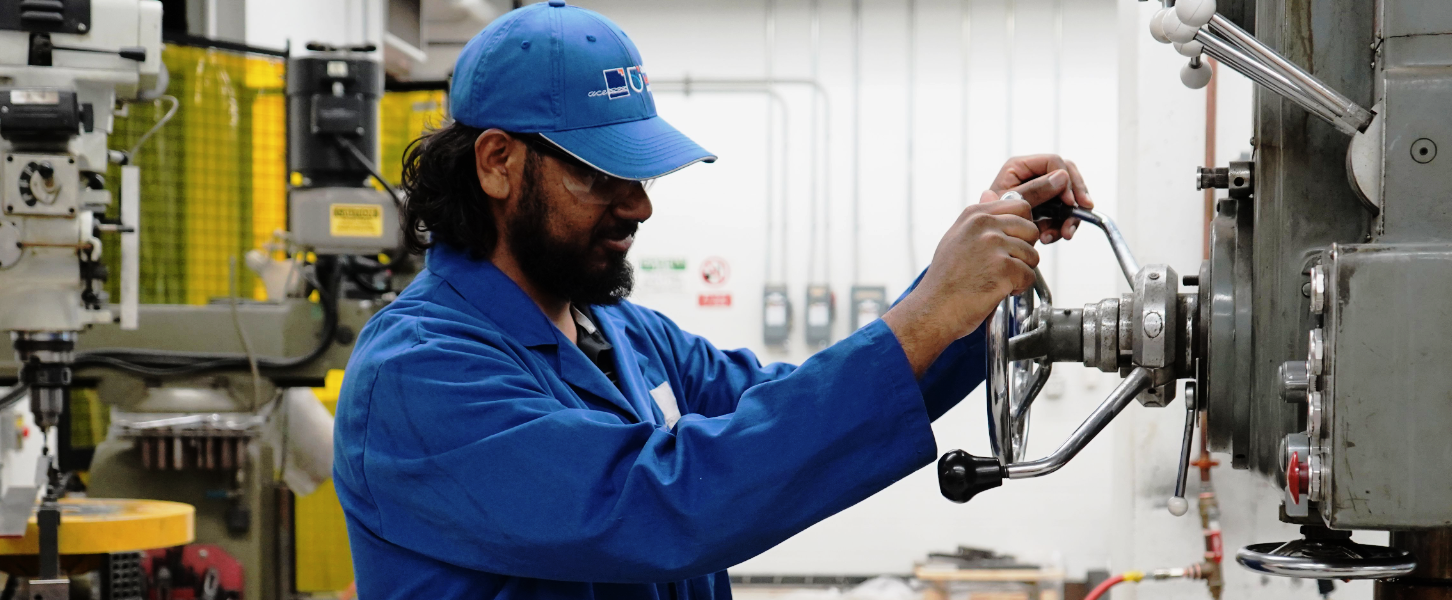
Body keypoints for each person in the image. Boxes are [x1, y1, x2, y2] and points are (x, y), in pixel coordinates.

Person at [331, 2, 1092, 598]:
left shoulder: (624, 336)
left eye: (644, 177)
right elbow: (657, 501)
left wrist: (963, 296)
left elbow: (799, 415)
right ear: (498, 163)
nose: (639, 207)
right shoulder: (417, 373)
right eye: (601, 175)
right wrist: (927, 313)